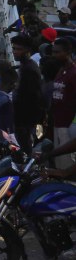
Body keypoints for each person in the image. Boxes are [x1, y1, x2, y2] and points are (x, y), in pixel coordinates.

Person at [11, 34, 45, 154]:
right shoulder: (24, 66)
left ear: (28, 50)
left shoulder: (29, 69)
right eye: (14, 48)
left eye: (18, 49)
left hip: (26, 122)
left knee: (27, 153)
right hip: (22, 121)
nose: (15, 52)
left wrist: (25, 124)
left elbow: (33, 98)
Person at [51, 37, 76, 170]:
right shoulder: (61, 70)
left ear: (68, 52)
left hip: (68, 127)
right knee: (58, 163)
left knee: (67, 166)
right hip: (58, 123)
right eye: (53, 52)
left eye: (57, 52)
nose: (54, 55)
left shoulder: (73, 73)